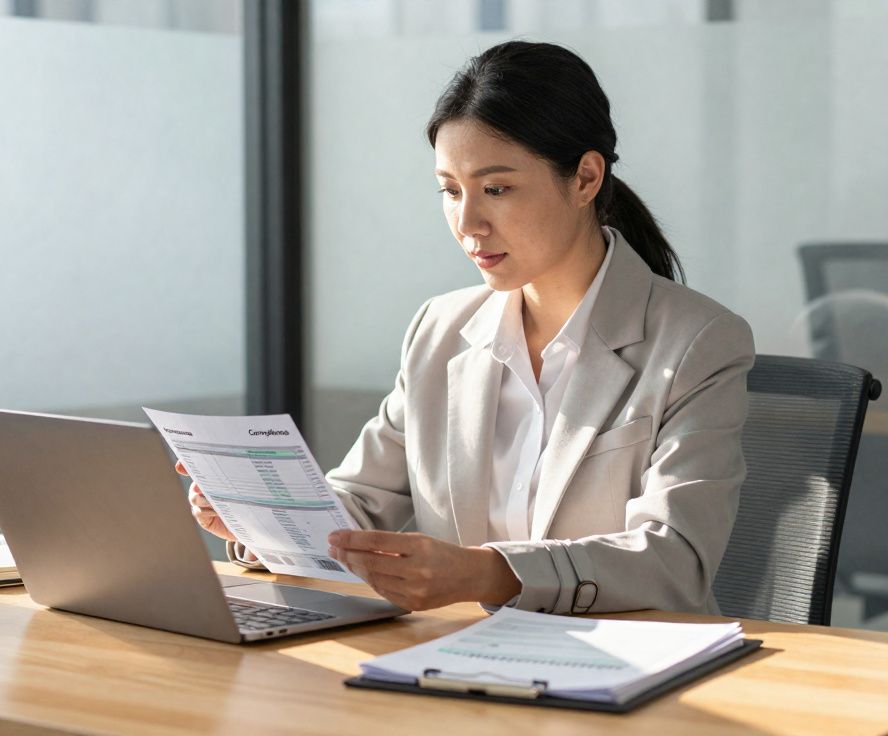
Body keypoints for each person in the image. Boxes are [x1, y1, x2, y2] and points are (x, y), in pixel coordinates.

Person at [181, 40, 755, 617]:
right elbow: (358, 504)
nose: (467, 222)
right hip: (457, 662)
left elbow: (675, 559)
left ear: (584, 178)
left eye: (496, 189)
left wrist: (488, 573)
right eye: (451, 191)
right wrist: (264, 519)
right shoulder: (440, 328)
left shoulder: (697, 342)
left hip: (627, 672)